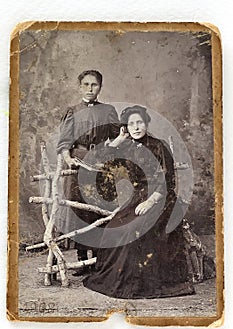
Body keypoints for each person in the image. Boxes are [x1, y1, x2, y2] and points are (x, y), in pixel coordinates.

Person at [83, 105, 195, 298]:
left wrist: (151, 202)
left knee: (132, 232)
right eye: (131, 124)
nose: (136, 127)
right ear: (125, 127)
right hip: (138, 197)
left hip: (162, 198)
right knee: (113, 228)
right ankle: (115, 278)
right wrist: (116, 142)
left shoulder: (159, 145)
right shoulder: (127, 147)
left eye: (139, 122)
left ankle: (135, 284)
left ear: (146, 123)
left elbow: (168, 181)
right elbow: (98, 162)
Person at [56, 70, 120, 273]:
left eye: (94, 85)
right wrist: (69, 160)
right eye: (86, 85)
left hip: (101, 162)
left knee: (101, 206)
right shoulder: (72, 111)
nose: (90, 89)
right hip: (79, 161)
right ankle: (82, 258)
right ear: (80, 86)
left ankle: (100, 259)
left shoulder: (108, 110)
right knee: (80, 208)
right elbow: (65, 142)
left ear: (100, 87)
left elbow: (117, 137)